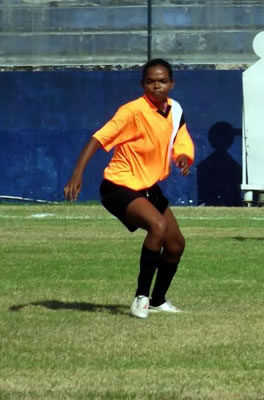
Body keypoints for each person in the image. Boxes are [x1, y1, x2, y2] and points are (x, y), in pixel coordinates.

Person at [64, 58, 195, 319]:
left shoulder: (175, 110)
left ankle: (158, 300)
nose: (156, 86)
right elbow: (97, 139)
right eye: (150, 81)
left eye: (162, 81)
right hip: (118, 187)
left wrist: (183, 156)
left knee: (176, 244)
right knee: (157, 227)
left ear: (171, 83)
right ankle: (141, 298)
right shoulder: (132, 111)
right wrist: (77, 174)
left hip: (148, 187)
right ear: (142, 84)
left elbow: (180, 139)